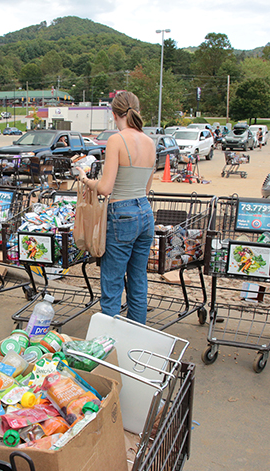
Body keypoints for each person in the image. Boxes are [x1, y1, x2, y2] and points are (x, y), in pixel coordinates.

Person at [77, 91, 155, 323]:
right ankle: (136, 334)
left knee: (112, 282)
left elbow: (105, 188)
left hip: (122, 215)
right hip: (145, 212)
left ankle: (111, 342)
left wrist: (85, 179)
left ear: (113, 114)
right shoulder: (150, 142)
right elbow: (147, 188)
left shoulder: (116, 140)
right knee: (138, 280)